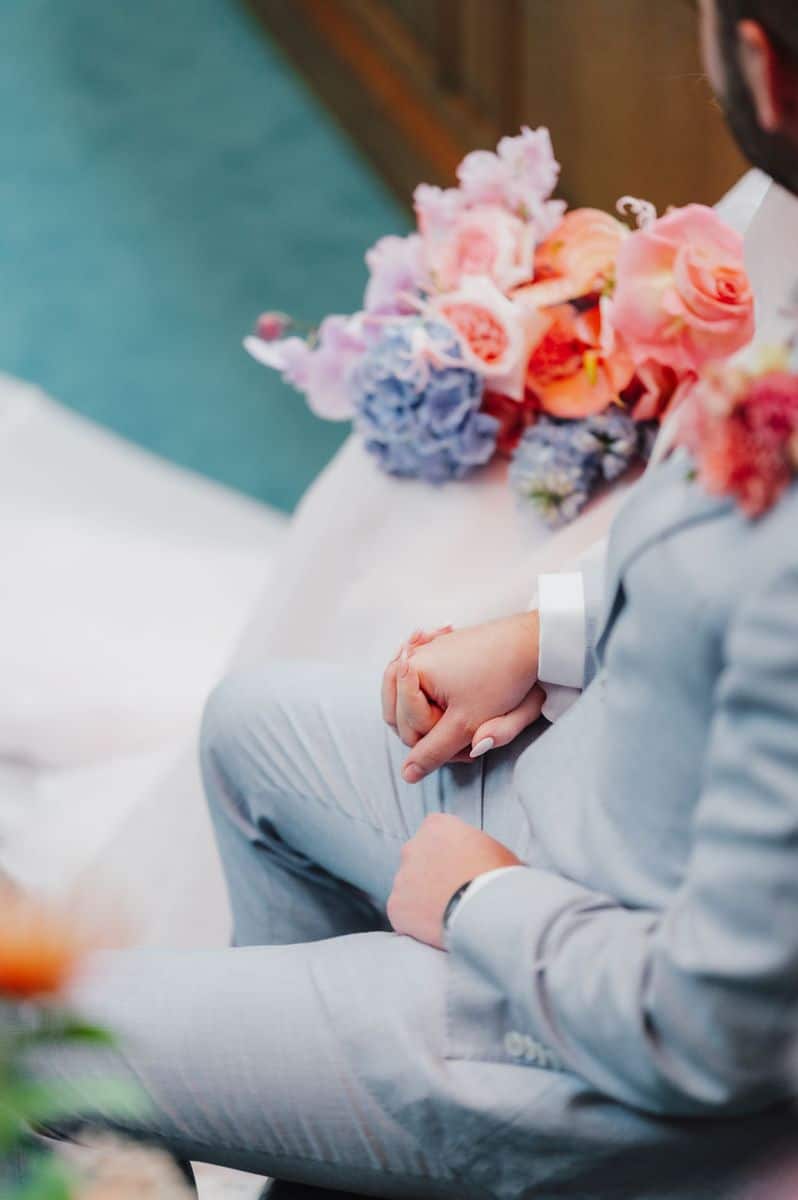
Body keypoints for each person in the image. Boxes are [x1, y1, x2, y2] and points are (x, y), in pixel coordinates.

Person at [21, 2, 798, 1197]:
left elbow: (705, 1033)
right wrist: (548, 635)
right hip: (593, 802)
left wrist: (482, 898)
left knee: (37, 1041)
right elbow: (715, 593)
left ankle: (385, 1104)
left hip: (577, 1037)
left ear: (759, 65)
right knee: (250, 731)